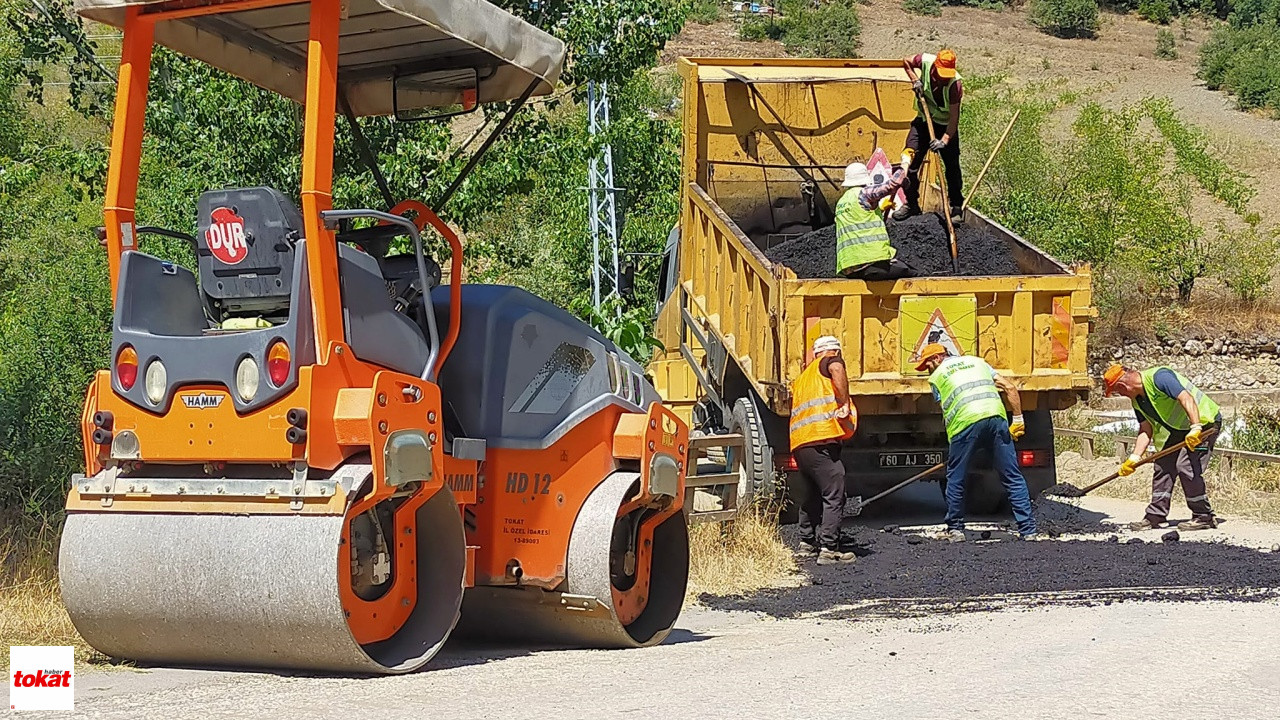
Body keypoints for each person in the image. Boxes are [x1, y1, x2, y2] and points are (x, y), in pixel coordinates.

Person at [915, 343, 1042, 541]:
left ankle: (955, 529)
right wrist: (1017, 419)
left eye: (928, 364)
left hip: (965, 425)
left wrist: (959, 448)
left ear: (938, 358)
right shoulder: (978, 363)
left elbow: (946, 411)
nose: (928, 370)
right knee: (1012, 476)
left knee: (956, 477)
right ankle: (1029, 531)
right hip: (996, 419)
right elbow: (1009, 387)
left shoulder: (937, 377)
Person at [1101, 364, 1222, 531]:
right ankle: (1155, 516)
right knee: (1163, 465)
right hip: (1180, 429)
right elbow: (1145, 429)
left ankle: (1203, 516)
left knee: (1186, 466)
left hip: (1205, 423)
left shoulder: (1159, 377)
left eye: (1118, 391)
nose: (1121, 394)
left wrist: (1196, 428)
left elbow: (1186, 398)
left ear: (1122, 386)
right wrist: (1134, 458)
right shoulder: (1137, 401)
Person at [790, 335, 857, 564]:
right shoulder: (830, 362)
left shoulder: (803, 378)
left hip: (801, 444)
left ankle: (806, 543)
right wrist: (844, 402)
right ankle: (829, 548)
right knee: (834, 491)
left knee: (813, 494)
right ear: (832, 352)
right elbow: (837, 368)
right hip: (821, 439)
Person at [897, 49, 964, 223]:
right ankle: (911, 204)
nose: (944, 78)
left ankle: (956, 207)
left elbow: (954, 119)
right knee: (910, 163)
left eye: (947, 74)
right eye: (941, 73)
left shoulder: (954, 85)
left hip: (945, 126)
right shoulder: (925, 61)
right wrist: (915, 79)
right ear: (935, 66)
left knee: (952, 169)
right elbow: (906, 61)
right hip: (923, 122)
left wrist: (944, 141)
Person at [835, 160, 913, 280]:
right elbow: (891, 185)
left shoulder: (841, 202)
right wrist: (904, 165)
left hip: (849, 268)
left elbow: (858, 220)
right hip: (871, 264)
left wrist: (880, 209)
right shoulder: (863, 193)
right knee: (911, 272)